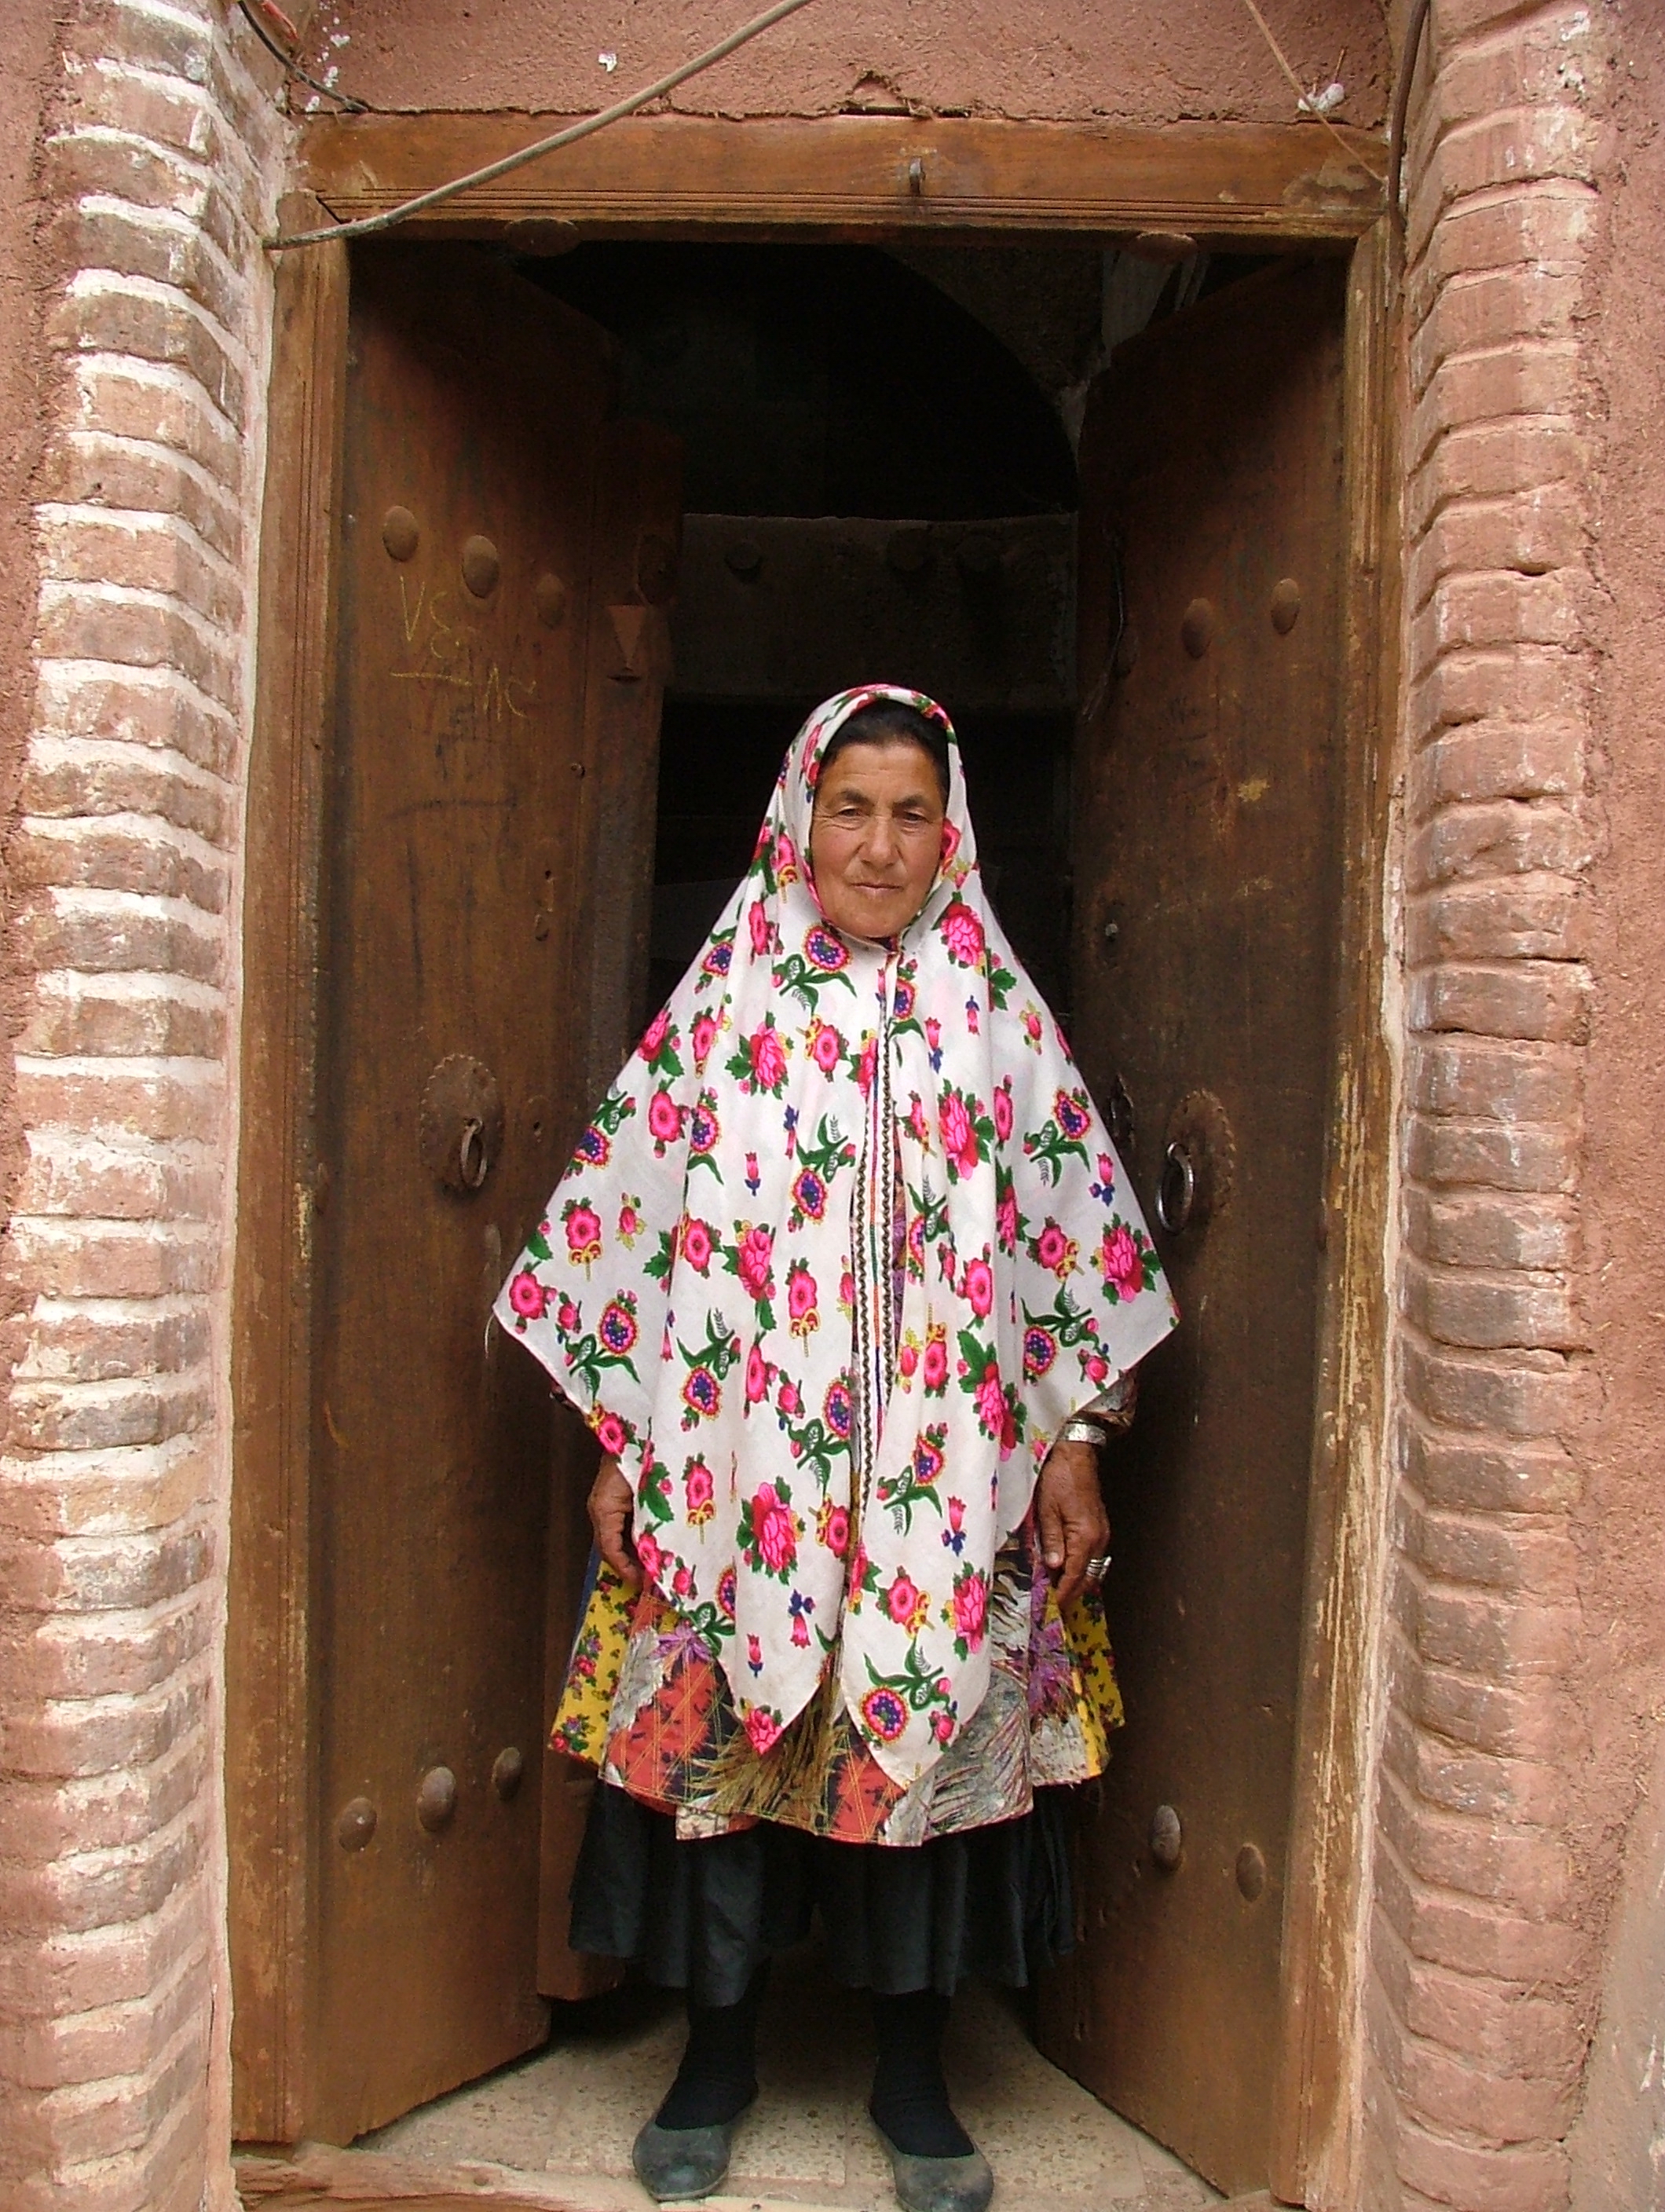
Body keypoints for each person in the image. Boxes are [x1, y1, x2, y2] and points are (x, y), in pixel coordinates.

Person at [496, 686, 1176, 2212]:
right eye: (850, 808)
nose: (878, 845)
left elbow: (1060, 1247)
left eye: (911, 813)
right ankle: (718, 2061)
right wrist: (626, 1447)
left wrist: (1071, 1446)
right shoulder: (728, 996)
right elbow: (643, 1226)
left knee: (918, 1747)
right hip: (744, 1464)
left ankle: (916, 2081)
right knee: (734, 1757)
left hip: (940, 1470)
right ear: (799, 815)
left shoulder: (992, 1006)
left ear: (953, 832)